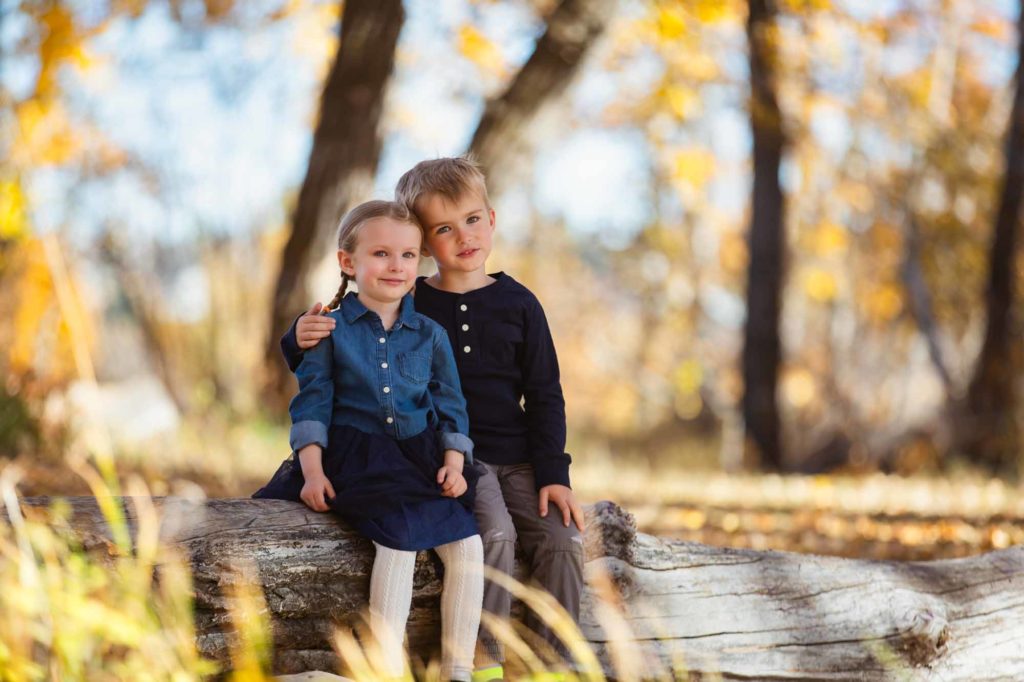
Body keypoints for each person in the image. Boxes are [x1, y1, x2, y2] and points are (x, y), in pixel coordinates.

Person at [284, 158, 585, 681]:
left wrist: (554, 474)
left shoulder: (520, 304)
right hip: (443, 456)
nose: (463, 237)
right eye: (443, 229)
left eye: (471, 220)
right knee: (493, 536)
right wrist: (298, 333)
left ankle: (557, 668)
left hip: (516, 457)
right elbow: (341, 346)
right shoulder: (409, 295)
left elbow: (544, 394)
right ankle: (484, 665)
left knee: (562, 539)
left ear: (491, 219)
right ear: (425, 244)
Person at [255, 199, 483, 682]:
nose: (396, 266)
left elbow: (451, 404)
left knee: (467, 545)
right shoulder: (328, 331)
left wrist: (454, 462)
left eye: (407, 255)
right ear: (348, 262)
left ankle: (458, 670)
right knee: (398, 541)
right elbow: (312, 404)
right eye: (381, 254)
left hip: (419, 458)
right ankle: (384, 668)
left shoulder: (431, 334)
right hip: (357, 457)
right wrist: (312, 471)